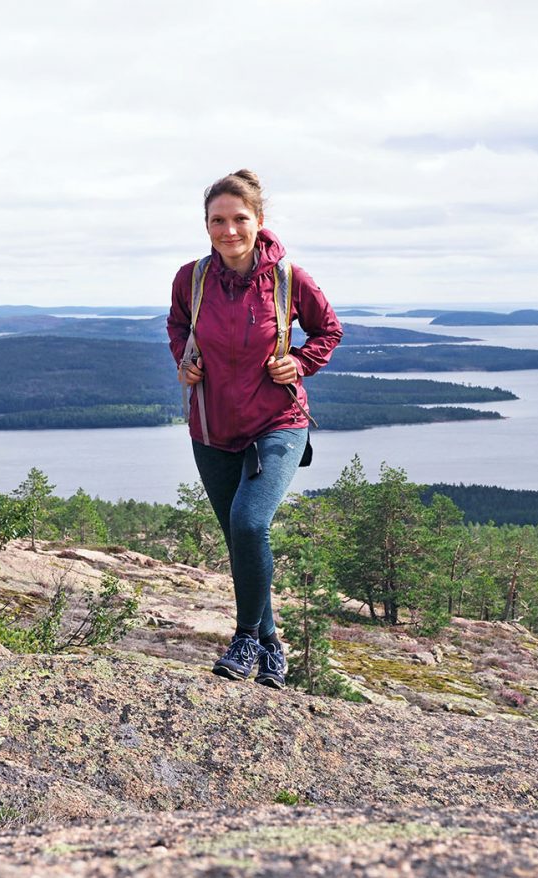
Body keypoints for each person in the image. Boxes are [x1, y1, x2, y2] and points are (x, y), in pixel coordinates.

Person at [166, 169, 342, 688]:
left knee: (248, 523)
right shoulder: (191, 279)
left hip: (278, 421)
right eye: (217, 220)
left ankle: (245, 637)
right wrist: (185, 358)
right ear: (206, 225)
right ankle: (270, 642)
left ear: (259, 221)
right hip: (212, 425)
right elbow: (178, 326)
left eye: (239, 218)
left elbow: (329, 329)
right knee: (237, 536)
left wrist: (302, 362)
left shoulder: (290, 279)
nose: (229, 230)